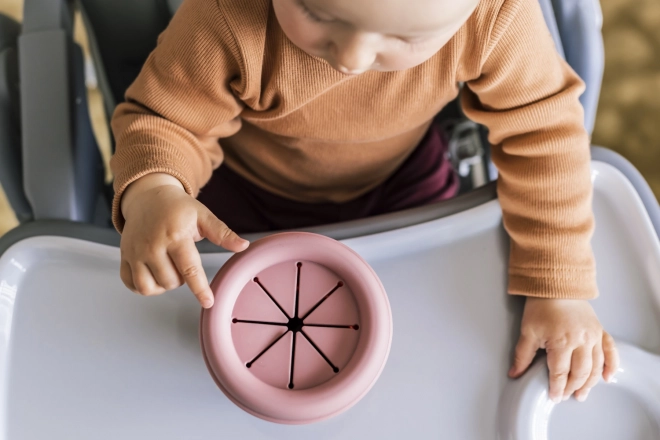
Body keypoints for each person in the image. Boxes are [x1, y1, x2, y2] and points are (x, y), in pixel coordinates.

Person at [110, 0, 619, 405]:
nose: (351, 59)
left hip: (404, 182)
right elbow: (164, 121)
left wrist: (559, 287)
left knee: (429, 333)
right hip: (241, 195)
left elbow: (544, 134)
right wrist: (156, 190)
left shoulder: (496, 15)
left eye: (404, 38)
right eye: (318, 12)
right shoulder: (228, 16)